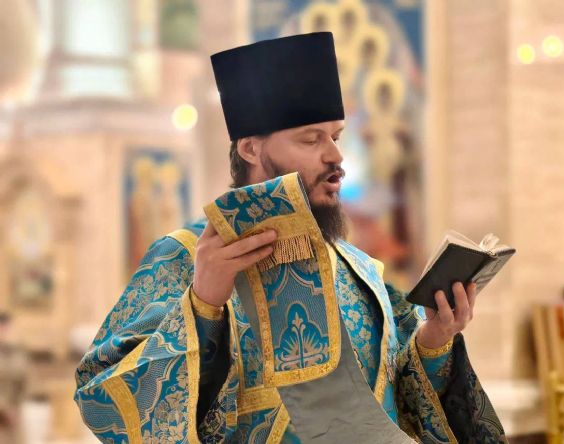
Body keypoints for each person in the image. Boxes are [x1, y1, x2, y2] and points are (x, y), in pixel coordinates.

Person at [74, 32, 506, 443]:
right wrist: (203, 304)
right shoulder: (183, 256)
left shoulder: (361, 271)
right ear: (250, 148)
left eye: (336, 136)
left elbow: (399, 405)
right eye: (311, 139)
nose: (336, 156)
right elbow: (104, 401)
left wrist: (434, 339)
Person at [0, 312, 27, 444]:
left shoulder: (17, 353)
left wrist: (16, 407)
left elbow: (27, 380)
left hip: (15, 415)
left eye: (7, 328)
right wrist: (4, 409)